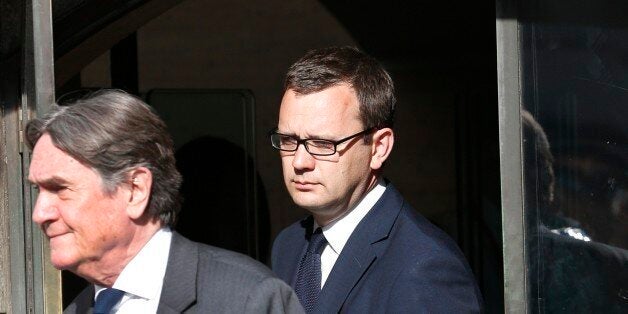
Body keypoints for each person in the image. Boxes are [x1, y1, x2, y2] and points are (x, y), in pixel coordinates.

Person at [26, 90, 303, 313]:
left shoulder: (247, 299)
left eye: (60, 189)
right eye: (39, 190)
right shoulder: (76, 309)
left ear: (135, 190)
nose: (40, 213)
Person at [269, 46, 482, 313]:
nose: (299, 162)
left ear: (379, 148)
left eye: (323, 144)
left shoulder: (425, 266)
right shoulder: (288, 245)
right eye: (289, 140)